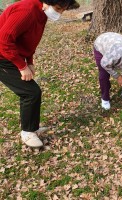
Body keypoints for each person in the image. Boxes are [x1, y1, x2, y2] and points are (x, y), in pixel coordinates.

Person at [0, 0, 79, 148]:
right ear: (48, 1)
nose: (60, 13)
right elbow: (3, 41)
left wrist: (29, 61)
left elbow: (29, 41)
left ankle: (33, 128)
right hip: (2, 56)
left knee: (33, 92)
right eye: (58, 8)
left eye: (63, 10)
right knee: (30, 92)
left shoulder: (41, 14)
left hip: (10, 54)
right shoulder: (26, 11)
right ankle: (27, 133)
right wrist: (22, 66)